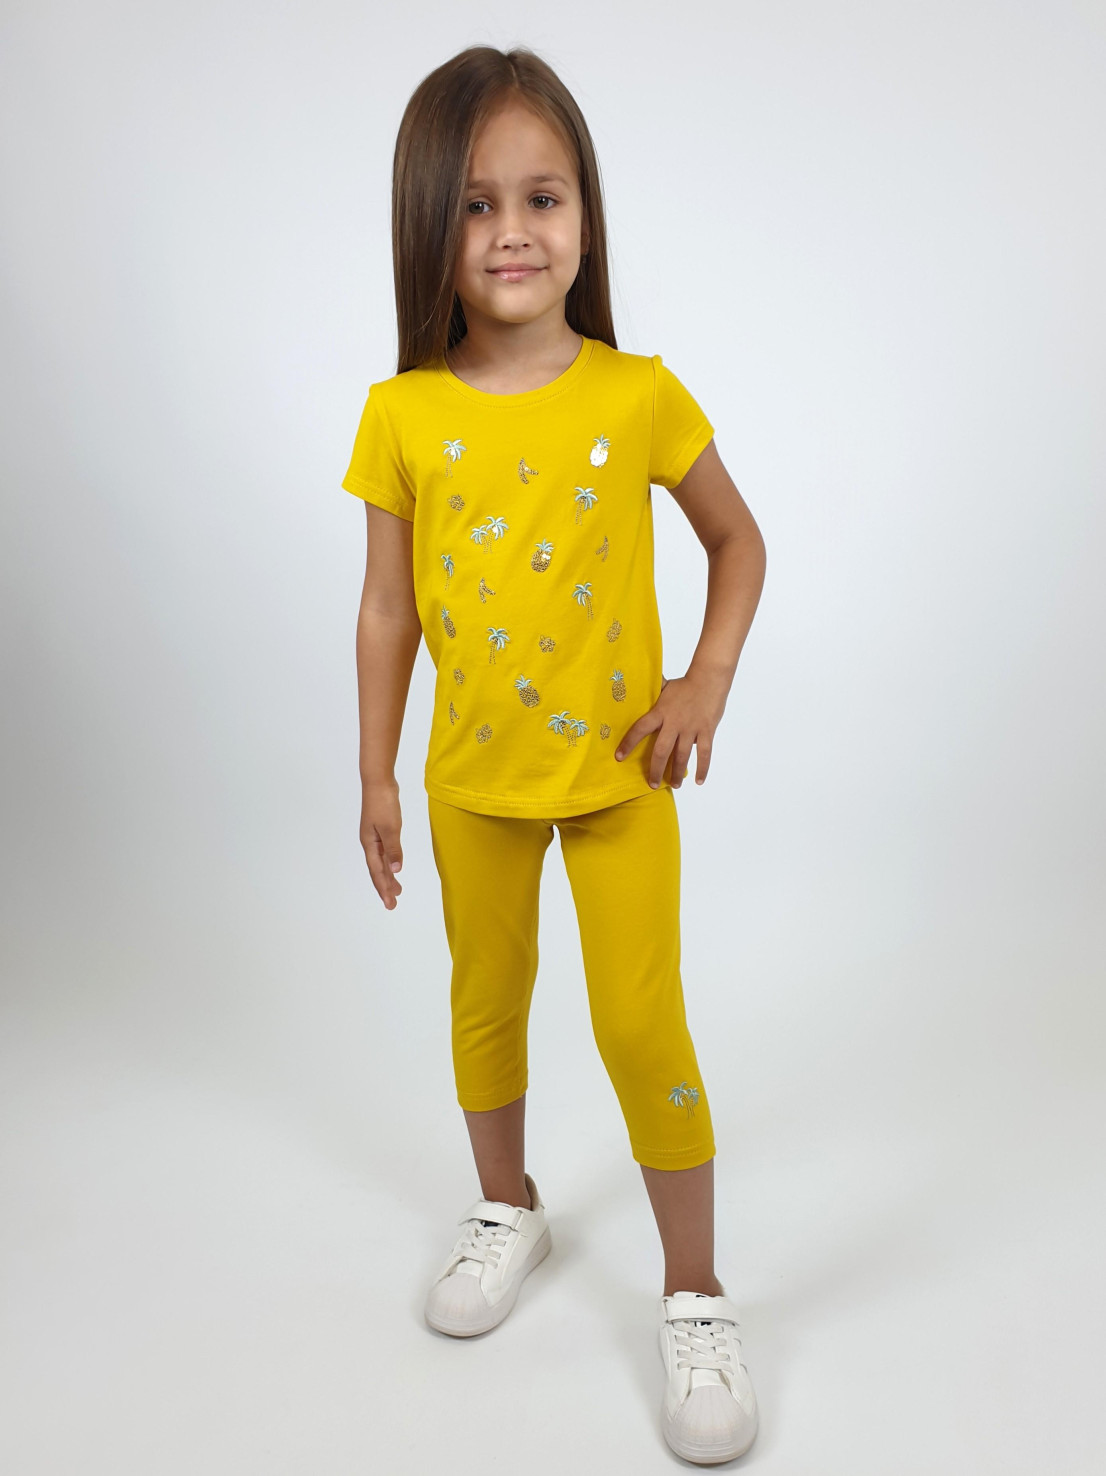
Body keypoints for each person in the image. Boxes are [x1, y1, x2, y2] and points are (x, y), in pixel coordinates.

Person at [340, 44, 767, 1466]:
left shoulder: (637, 394)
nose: (511, 231)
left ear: (585, 213)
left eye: (542, 197)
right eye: (474, 204)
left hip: (619, 784)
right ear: (428, 222)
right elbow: (387, 609)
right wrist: (374, 772)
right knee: (487, 1002)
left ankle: (695, 1293)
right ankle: (506, 1204)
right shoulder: (402, 413)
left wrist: (703, 680)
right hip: (471, 784)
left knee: (642, 1027)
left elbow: (737, 540)